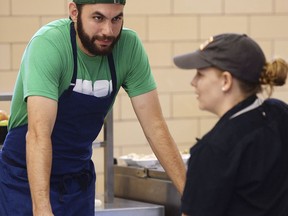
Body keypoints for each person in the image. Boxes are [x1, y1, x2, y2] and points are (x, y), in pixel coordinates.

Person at [0, 0, 186, 215]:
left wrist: (191, 199)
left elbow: (155, 127)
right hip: (24, 181)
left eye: (116, 19)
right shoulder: (49, 44)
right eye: (98, 18)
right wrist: (42, 209)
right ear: (74, 12)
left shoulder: (129, 46)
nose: (108, 31)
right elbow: (38, 135)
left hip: (77, 182)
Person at [173, 33, 288, 216]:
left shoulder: (213, 150)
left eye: (200, 74)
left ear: (226, 81)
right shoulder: (280, 114)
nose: (193, 82)